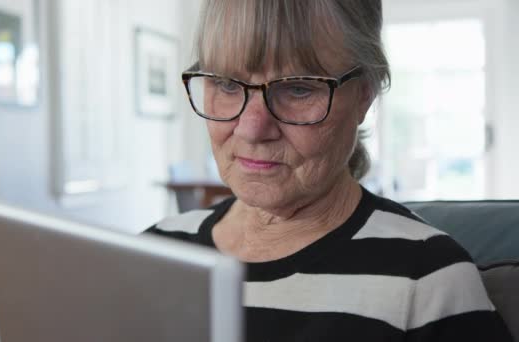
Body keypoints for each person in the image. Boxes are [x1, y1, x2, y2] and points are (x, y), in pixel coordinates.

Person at [147, 1, 513, 341]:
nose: (251, 128)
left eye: (299, 89)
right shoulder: (153, 252)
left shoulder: (428, 277)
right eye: (226, 84)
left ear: (364, 96)